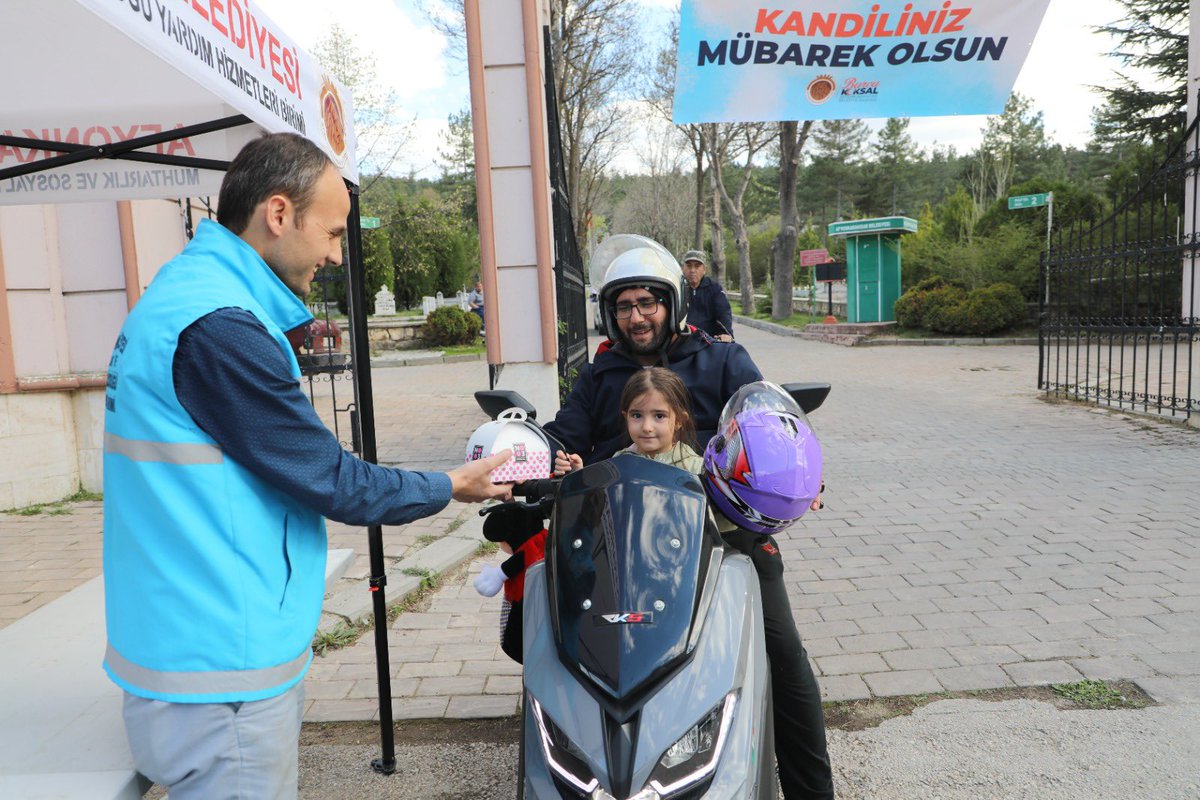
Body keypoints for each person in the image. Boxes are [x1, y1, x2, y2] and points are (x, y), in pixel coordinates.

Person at [101, 132, 513, 800]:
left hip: (183, 643)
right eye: (331, 231)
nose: (332, 252)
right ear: (279, 214)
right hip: (220, 676)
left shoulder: (185, 294)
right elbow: (335, 480)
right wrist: (450, 484)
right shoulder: (220, 329)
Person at [544, 239, 834, 799]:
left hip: (724, 538)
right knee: (570, 645)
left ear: (670, 302)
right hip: (620, 542)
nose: (637, 316)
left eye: (647, 303)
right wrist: (549, 455)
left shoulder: (721, 358)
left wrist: (801, 475)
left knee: (784, 656)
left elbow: (765, 418)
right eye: (624, 306)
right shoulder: (600, 375)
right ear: (610, 313)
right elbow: (563, 435)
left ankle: (811, 793)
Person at [554, 367, 702, 475]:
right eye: (637, 415)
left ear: (679, 421)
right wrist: (578, 474)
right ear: (626, 417)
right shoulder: (619, 463)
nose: (646, 427)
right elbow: (601, 500)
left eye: (659, 416)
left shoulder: (695, 468)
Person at [681, 248, 734, 342]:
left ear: (704, 269)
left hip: (708, 340)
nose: (692, 270)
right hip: (682, 338)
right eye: (689, 266)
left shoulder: (714, 288)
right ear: (683, 268)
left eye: (697, 266)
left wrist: (726, 333)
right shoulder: (677, 287)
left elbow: (724, 312)